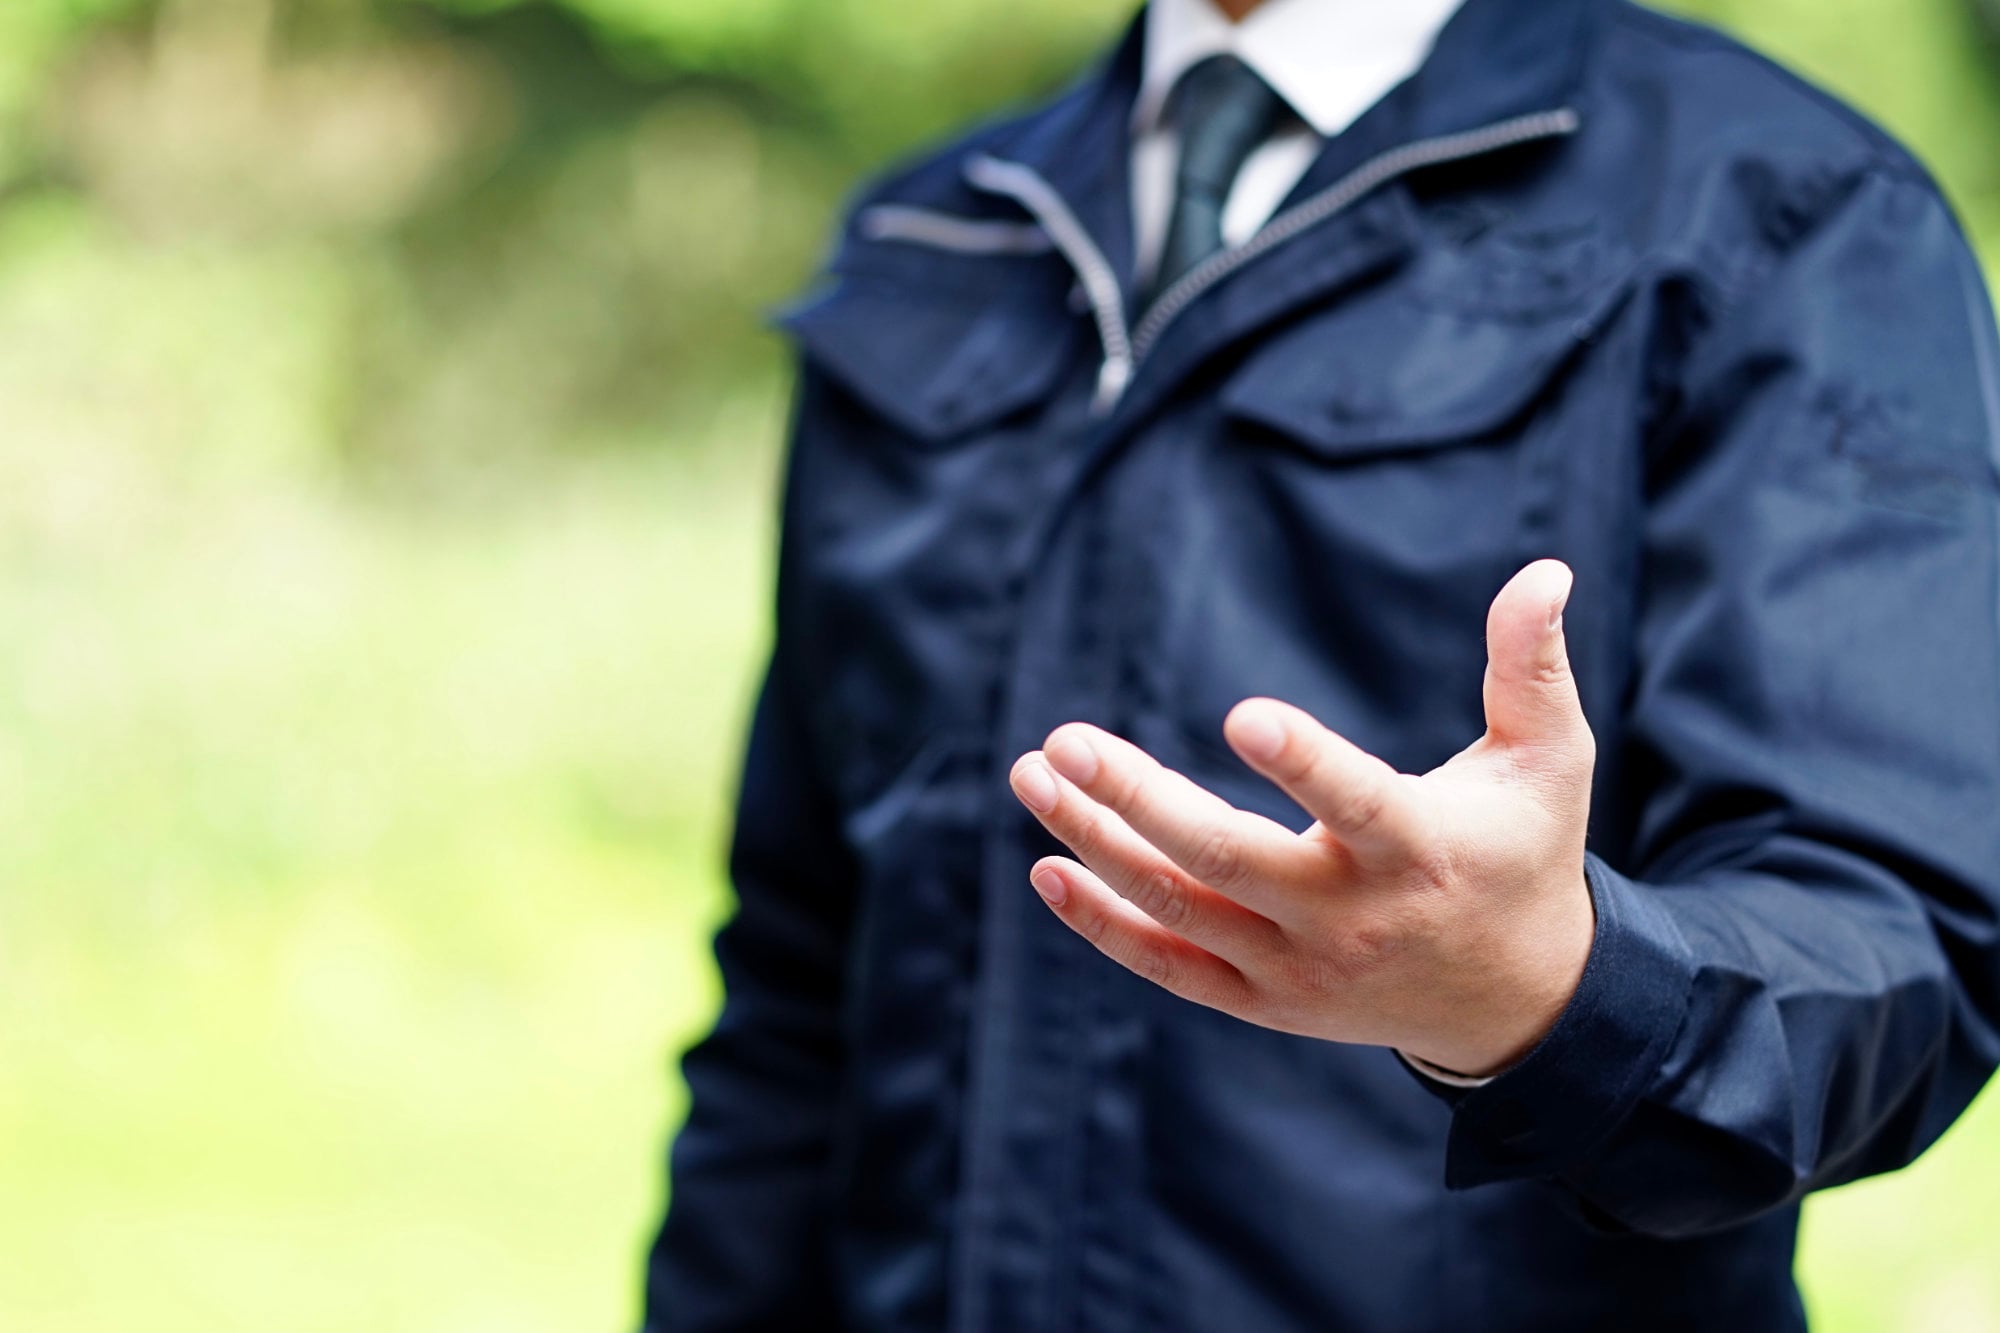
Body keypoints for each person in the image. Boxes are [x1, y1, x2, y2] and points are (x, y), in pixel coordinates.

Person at [645, 0, 2000, 1327]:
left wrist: (1557, 992)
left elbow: (1896, 938)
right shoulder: (940, 231)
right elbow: (797, 980)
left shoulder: (1787, 208)